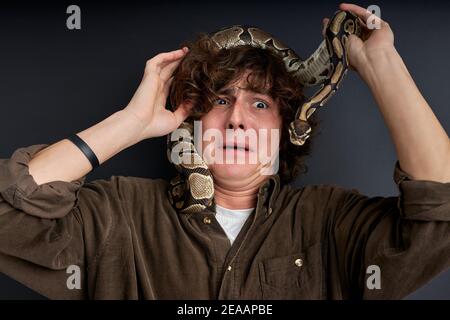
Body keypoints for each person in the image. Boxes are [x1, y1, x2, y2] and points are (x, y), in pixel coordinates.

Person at [0, 3, 449, 299]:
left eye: (260, 103)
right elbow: (9, 214)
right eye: (219, 100)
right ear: (191, 121)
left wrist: (379, 63)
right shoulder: (120, 213)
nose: (237, 118)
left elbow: (441, 208)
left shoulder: (331, 219)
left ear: (288, 125)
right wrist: (130, 124)